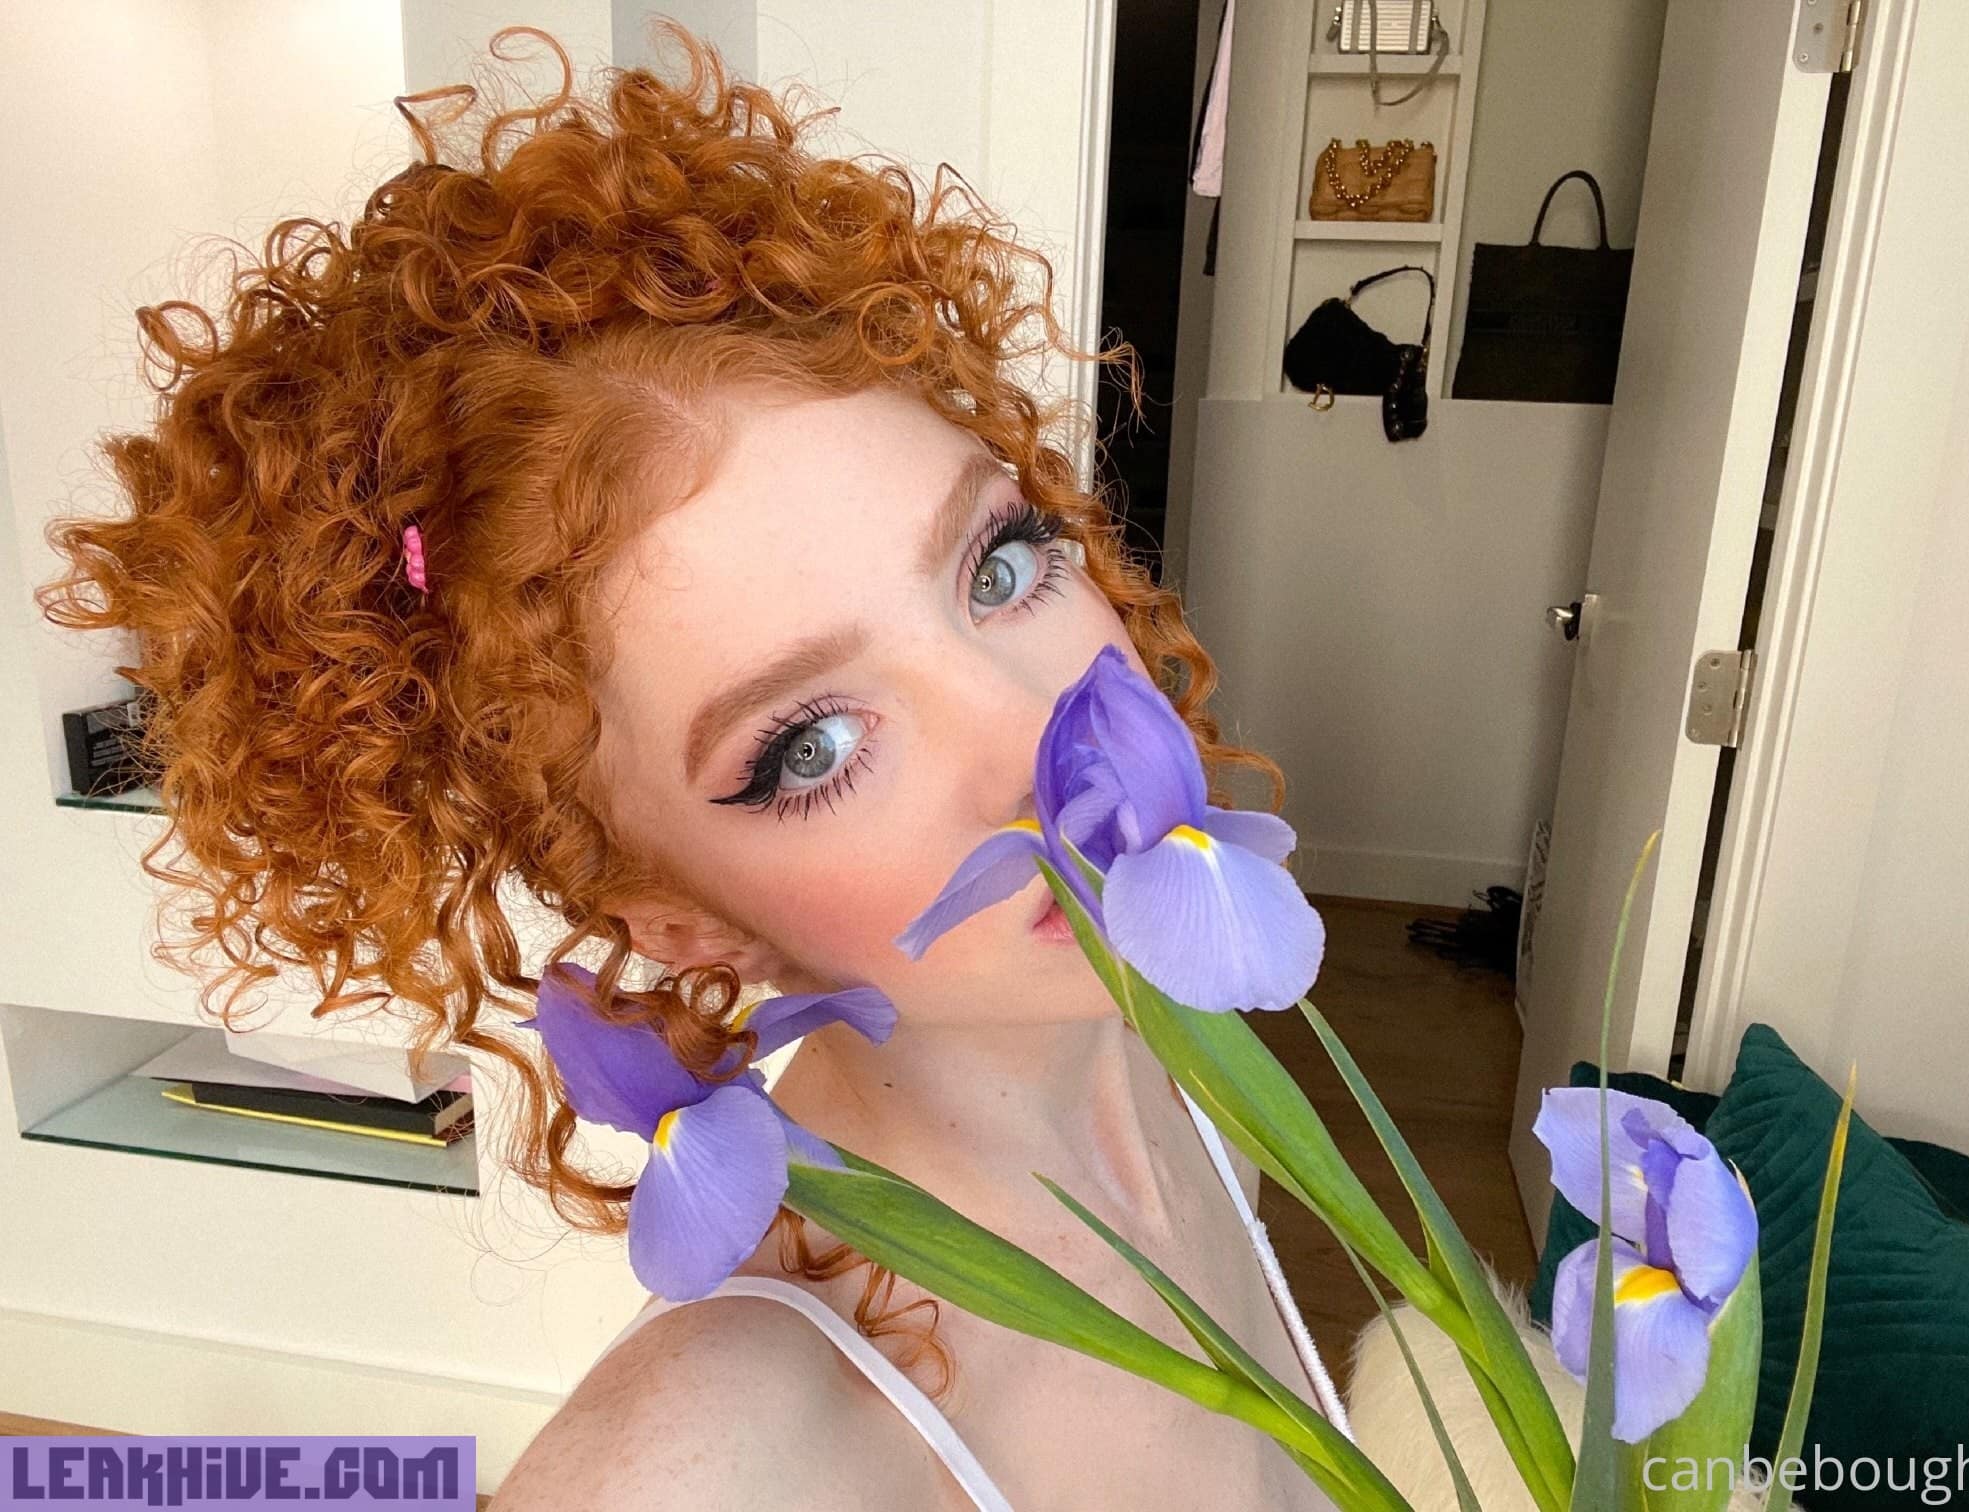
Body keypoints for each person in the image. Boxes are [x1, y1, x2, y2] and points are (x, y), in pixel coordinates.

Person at [37, 21, 1347, 1509]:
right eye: (810, 746)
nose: (1042, 750)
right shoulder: (715, 1459)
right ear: (676, 923)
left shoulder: (1187, 1067)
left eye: (998, 565)